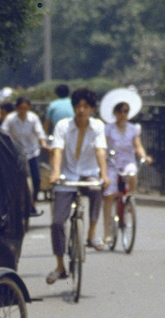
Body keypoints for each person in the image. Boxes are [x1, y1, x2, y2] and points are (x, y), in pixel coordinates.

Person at [46, 87, 108, 282]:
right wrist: (56, 173)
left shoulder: (97, 126)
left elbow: (100, 151)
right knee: (57, 223)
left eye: (86, 106)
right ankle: (60, 265)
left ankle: (91, 234)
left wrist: (104, 174)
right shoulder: (63, 126)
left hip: (88, 173)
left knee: (97, 189)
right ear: (73, 107)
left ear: (92, 109)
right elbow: (57, 150)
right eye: (78, 106)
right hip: (67, 176)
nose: (81, 110)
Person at [101, 99, 152, 244]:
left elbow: (137, 145)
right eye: (120, 112)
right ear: (115, 113)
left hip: (128, 161)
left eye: (125, 112)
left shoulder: (133, 128)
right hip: (112, 163)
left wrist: (144, 156)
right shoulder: (108, 129)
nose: (123, 115)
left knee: (132, 174)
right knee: (109, 195)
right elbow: (103, 146)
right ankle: (106, 231)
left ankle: (129, 197)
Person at [2, 96, 48, 216]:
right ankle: (11, 203)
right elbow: (3, 133)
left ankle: (33, 202)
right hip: (16, 154)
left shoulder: (33, 118)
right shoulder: (10, 119)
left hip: (31, 153)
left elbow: (39, 133)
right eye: (20, 108)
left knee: (36, 178)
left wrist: (44, 144)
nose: (23, 111)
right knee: (11, 179)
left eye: (25, 108)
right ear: (17, 108)